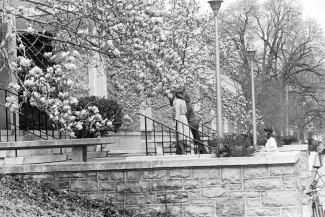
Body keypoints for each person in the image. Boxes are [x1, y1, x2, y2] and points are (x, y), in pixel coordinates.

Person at [172, 88, 193, 154]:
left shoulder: (177, 101)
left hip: (179, 118)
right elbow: (186, 111)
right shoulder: (183, 101)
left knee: (181, 137)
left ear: (176, 94)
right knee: (180, 137)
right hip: (184, 117)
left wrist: (175, 122)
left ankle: (193, 146)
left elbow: (177, 112)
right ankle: (183, 152)